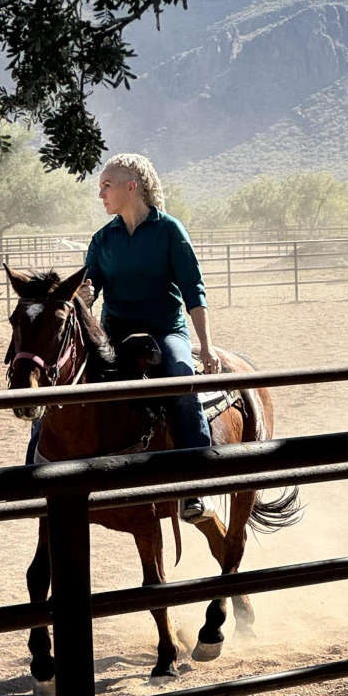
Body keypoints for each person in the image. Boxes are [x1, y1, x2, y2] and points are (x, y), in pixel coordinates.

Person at [83, 152, 220, 522]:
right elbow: (88, 291)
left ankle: (195, 486)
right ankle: (42, 465)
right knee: (70, 388)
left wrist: (206, 347)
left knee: (181, 381)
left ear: (132, 187)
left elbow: (194, 291)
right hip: (115, 334)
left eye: (106, 186)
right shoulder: (102, 239)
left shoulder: (170, 231)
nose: (100, 194)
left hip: (166, 330)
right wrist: (84, 295)